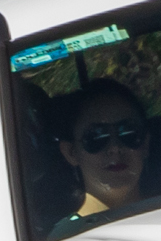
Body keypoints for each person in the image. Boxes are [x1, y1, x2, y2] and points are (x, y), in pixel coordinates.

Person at [50, 79, 152, 228]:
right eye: (96, 137)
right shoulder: (65, 237)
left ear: (145, 144)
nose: (115, 147)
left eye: (128, 132)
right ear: (71, 153)